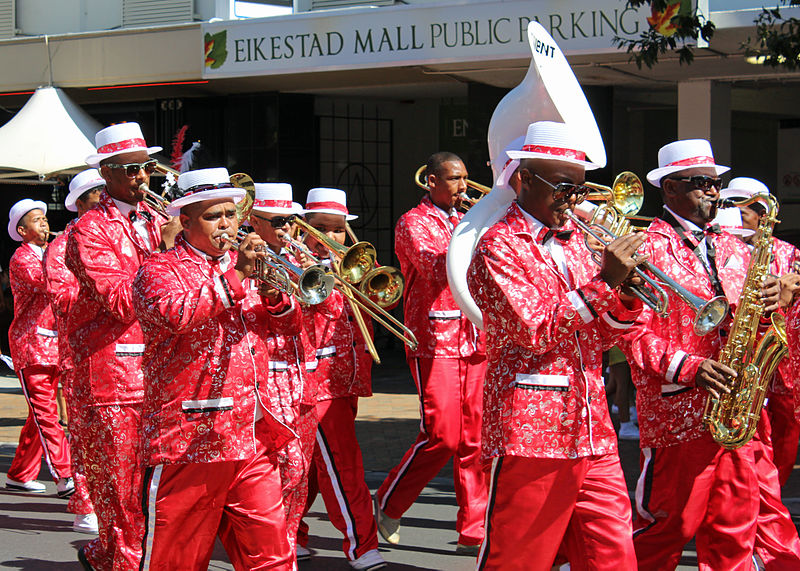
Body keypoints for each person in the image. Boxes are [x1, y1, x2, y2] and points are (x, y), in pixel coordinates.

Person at [466, 121, 644, 570]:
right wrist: (605, 282)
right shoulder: (496, 246)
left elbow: (599, 336)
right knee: (520, 558)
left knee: (614, 557)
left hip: (592, 427)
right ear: (524, 179)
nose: (574, 200)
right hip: (532, 431)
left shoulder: (581, 243)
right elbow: (535, 330)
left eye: (580, 190)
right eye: (564, 187)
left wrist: (624, 297)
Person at [618, 139, 782, 569]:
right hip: (677, 413)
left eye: (716, 183)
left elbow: (749, 323)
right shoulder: (643, 248)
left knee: (735, 527)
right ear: (669, 189)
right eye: (700, 183)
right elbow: (631, 335)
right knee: (666, 529)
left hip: (735, 411)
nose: (713, 192)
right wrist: (691, 368)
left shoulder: (734, 246)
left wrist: (769, 308)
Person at [133, 167, 298, 570]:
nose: (226, 224)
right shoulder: (159, 270)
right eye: (212, 216)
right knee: (178, 558)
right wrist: (237, 275)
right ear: (185, 222)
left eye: (230, 214)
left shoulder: (249, 266)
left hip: (249, 432)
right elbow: (175, 314)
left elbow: (288, 327)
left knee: (273, 550)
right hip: (190, 437)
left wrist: (276, 296)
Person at [66, 122, 178, 570]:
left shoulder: (157, 219)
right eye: (129, 169)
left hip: (164, 371)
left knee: (154, 486)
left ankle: (122, 557)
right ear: (106, 173)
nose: (141, 177)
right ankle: (121, 561)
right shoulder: (87, 231)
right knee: (120, 485)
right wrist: (164, 255)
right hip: (111, 374)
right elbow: (119, 302)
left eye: (145, 168)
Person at [375, 152, 487, 554]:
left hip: (475, 338)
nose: (463, 187)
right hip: (434, 338)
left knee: (475, 438)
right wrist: (485, 240)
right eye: (455, 178)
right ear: (432, 181)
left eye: (466, 178)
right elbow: (437, 267)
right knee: (442, 436)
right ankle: (389, 501)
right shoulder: (413, 222)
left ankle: (473, 532)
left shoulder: (472, 219)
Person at [296, 187, 385, 571]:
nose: (330, 238)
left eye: (337, 231)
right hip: (316, 382)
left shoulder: (356, 262)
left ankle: (289, 531)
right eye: (322, 229)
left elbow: (383, 301)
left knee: (316, 466)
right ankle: (363, 545)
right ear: (305, 228)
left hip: (348, 378)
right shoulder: (295, 265)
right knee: (343, 464)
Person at [713, 177, 800, 568]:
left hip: (783, 378)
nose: (731, 213)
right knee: (752, 481)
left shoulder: (787, 254)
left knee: (771, 474)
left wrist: (791, 288)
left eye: (740, 206)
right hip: (744, 384)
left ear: (762, 213)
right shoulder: (719, 250)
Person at [246, 182, 322, 561]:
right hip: (262, 374)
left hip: (300, 373)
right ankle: (268, 552)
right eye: (276, 221)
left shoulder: (300, 255)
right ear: (253, 221)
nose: (285, 229)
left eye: (290, 221)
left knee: (299, 473)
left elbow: (322, 311)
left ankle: (284, 547)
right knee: (278, 469)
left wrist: (317, 276)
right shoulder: (243, 259)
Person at [724, 177, 800, 489]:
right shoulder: (718, 249)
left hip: (779, 373)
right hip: (738, 370)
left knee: (780, 454)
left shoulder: (790, 253)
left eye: (752, 206)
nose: (743, 211)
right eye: (733, 204)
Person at [43, 169, 104, 534]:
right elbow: (62, 300)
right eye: (96, 193)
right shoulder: (61, 244)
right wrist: (106, 288)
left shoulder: (128, 234)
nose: (103, 197)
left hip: (134, 356)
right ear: (79, 203)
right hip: (82, 353)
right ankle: (85, 502)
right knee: (85, 434)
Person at [4, 198, 73, 497]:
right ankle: (65, 475)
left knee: (38, 415)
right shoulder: (22, 258)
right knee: (46, 414)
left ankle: (20, 474)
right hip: (31, 344)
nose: (44, 223)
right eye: (36, 220)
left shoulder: (47, 254)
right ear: (22, 230)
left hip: (53, 344)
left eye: (44, 218)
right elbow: (49, 281)